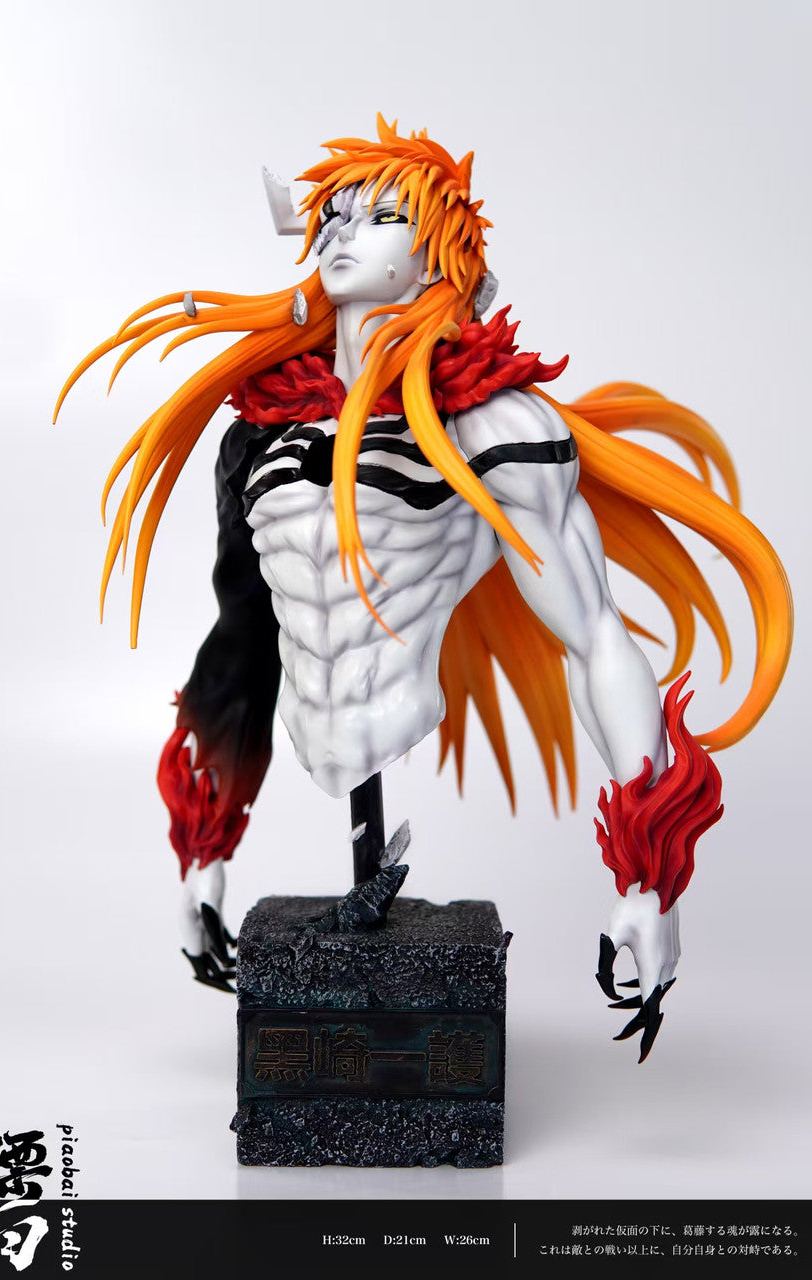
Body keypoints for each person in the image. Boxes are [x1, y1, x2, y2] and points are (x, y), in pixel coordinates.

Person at [55, 116, 792, 1061]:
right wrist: (203, 854)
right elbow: (242, 642)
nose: (343, 231)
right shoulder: (259, 435)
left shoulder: (493, 426)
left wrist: (650, 882)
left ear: (440, 256)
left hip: (397, 706)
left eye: (383, 216)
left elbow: (594, 636)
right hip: (311, 730)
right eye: (334, 214)